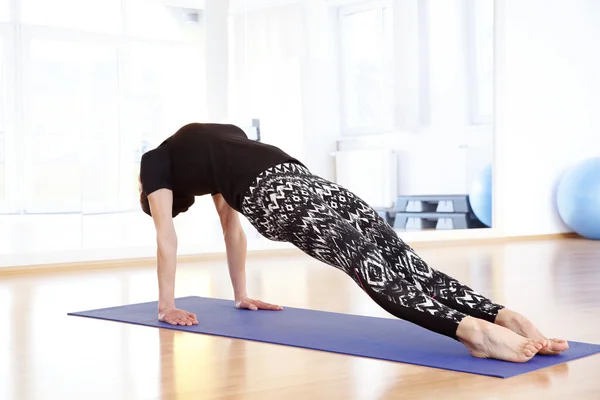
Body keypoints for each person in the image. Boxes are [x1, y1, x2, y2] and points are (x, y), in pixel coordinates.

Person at [139, 122, 568, 363]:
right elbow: (166, 235)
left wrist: (242, 295)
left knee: (402, 257)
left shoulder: (195, 155)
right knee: (366, 260)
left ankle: (499, 314)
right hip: (275, 196)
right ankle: (474, 332)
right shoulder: (155, 164)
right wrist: (166, 305)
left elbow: (231, 231)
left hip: (304, 179)